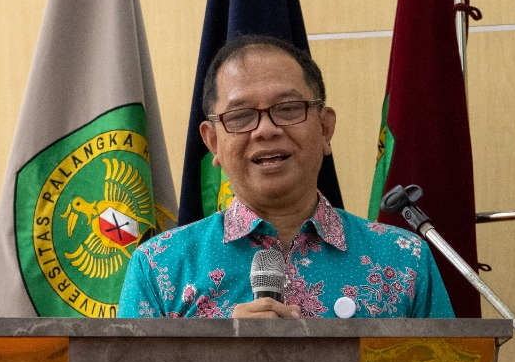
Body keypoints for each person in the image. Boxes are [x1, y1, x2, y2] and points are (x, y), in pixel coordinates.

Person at [117, 35, 454, 320]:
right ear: (213, 142)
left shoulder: (404, 260)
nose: (266, 130)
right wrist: (220, 352)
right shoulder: (159, 266)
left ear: (324, 128)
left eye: (288, 109)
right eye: (241, 116)